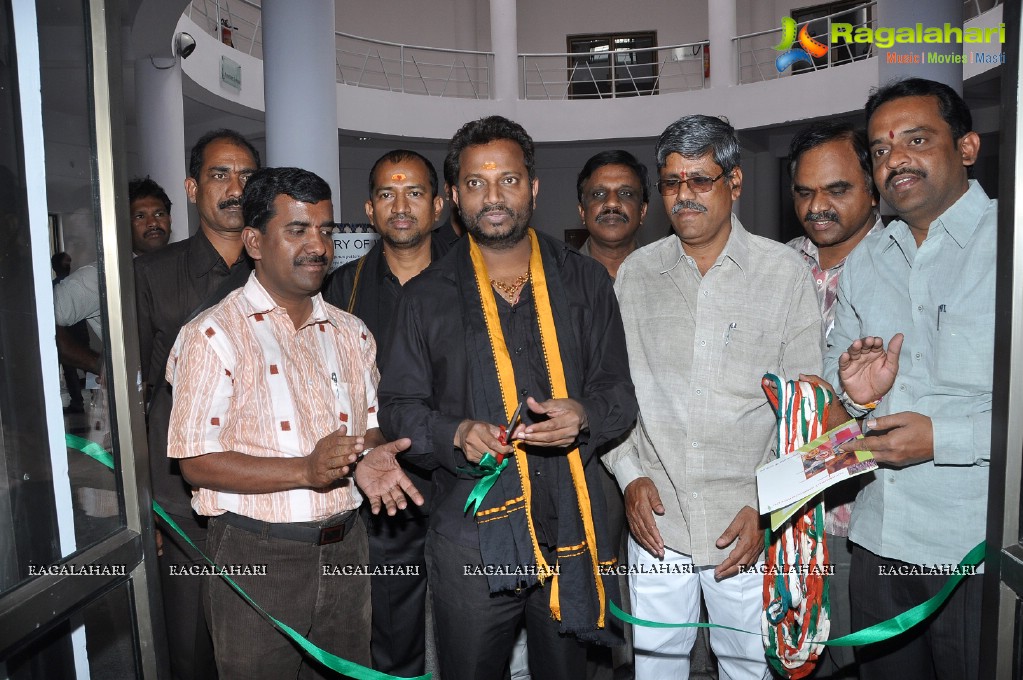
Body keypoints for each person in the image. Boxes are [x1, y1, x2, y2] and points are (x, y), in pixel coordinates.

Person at [378, 115, 637, 680]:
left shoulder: (587, 281)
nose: (493, 197)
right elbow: (397, 406)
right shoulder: (424, 298)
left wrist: (583, 415)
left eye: (509, 180)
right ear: (454, 196)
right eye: (475, 183)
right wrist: (453, 433)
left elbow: (619, 390)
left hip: (571, 526)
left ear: (534, 187)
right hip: (471, 535)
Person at [167, 166, 423, 679]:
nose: (318, 246)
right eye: (298, 230)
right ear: (255, 241)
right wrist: (305, 471)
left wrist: (373, 451)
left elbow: (369, 424)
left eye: (326, 231)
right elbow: (195, 460)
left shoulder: (352, 333)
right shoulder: (212, 335)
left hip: (348, 547)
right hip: (256, 556)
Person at [604, 114, 823, 680]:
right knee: (655, 670)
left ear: (735, 181)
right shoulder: (636, 275)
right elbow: (610, 390)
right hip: (658, 524)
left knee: (750, 669)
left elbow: (806, 413)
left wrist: (769, 507)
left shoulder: (784, 275)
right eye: (672, 182)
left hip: (746, 527)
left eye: (700, 180)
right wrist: (628, 474)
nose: (684, 196)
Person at [823, 77, 992, 680]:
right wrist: (851, 390)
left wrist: (944, 438)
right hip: (877, 541)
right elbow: (835, 384)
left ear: (967, 147)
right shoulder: (868, 258)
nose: (895, 160)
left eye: (916, 140)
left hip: (976, 548)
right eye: (880, 150)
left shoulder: (1013, 244)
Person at [134, 128, 260, 680]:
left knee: (261, 648)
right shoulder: (152, 275)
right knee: (190, 652)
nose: (235, 188)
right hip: (180, 504)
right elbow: (130, 402)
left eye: (247, 177)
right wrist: (143, 511)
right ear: (192, 187)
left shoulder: (282, 272)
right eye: (219, 174)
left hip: (266, 497)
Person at [322, 149, 447, 677]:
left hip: (463, 476)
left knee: (478, 624)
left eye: (415, 193)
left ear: (439, 206)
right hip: (379, 482)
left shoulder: (474, 281)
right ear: (369, 210)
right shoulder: (337, 290)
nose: (401, 206)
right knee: (393, 626)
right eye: (387, 194)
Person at [786, 119, 882, 678]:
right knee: (795, 661)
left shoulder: (900, 263)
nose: (817, 205)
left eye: (837, 189)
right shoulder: (778, 268)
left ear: (871, 187)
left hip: (866, 521)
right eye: (804, 191)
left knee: (863, 662)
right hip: (789, 518)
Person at [576, 150, 648, 278]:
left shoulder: (668, 275)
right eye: (598, 194)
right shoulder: (560, 278)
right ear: (582, 212)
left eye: (626, 193)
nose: (612, 203)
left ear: (642, 211)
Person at [129, 176, 172, 255]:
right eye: (140, 216)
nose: (153, 223)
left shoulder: (185, 263)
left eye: (159, 214)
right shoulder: (115, 266)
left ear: (170, 220)